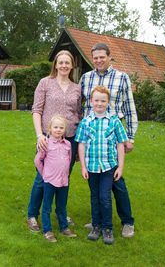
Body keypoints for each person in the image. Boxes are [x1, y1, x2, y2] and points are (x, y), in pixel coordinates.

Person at [80, 42, 138, 238]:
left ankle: (127, 222)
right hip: (93, 136)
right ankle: (98, 221)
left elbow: (130, 108)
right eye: (95, 57)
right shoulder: (86, 78)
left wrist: (130, 137)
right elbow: (81, 107)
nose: (98, 60)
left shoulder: (122, 78)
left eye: (102, 57)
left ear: (109, 57)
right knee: (97, 184)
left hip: (113, 134)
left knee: (117, 181)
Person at [27, 50, 82, 232]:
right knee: (43, 177)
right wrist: (39, 135)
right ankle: (33, 215)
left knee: (63, 178)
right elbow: (36, 110)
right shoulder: (45, 83)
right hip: (47, 139)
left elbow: (79, 114)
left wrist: (80, 143)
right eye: (61, 62)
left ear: (72, 65)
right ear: (56, 65)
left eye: (68, 62)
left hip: (70, 139)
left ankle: (61, 213)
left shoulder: (76, 88)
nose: (64, 65)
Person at [76, 86, 128, 245]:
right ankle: (96, 226)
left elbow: (120, 145)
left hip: (108, 167)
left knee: (105, 197)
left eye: (103, 101)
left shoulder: (114, 122)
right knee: (94, 197)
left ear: (108, 102)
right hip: (91, 167)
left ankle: (107, 228)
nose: (99, 103)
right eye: (96, 100)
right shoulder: (85, 122)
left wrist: (120, 167)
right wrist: (83, 167)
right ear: (91, 101)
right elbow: (82, 145)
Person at [34, 114, 77, 242]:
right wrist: (44, 174)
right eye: (56, 127)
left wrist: (66, 174)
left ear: (65, 129)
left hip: (64, 181)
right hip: (49, 181)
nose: (58, 130)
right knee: (47, 206)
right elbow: (37, 160)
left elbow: (69, 160)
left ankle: (64, 227)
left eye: (61, 127)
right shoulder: (46, 143)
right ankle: (48, 231)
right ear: (50, 129)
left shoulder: (68, 144)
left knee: (62, 206)